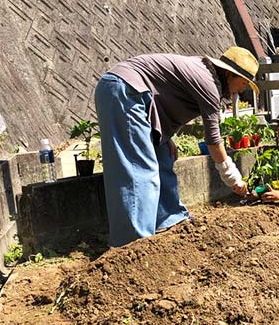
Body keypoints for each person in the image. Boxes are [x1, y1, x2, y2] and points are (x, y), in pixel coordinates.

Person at [94, 46, 258, 246]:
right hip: (124, 91)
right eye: (243, 82)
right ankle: (133, 244)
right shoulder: (209, 84)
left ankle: (170, 219)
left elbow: (164, 95)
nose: (243, 89)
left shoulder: (205, 73)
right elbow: (213, 141)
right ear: (229, 74)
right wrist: (232, 177)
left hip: (138, 96)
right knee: (139, 170)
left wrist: (166, 136)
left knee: (164, 155)